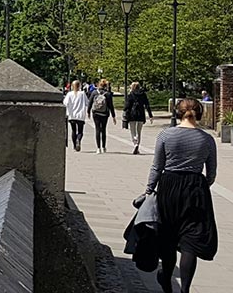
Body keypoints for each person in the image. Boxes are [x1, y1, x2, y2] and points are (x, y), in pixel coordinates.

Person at [135, 99, 219, 293]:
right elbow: (211, 173)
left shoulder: (166, 135)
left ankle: (166, 278)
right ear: (199, 114)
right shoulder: (206, 139)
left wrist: (149, 191)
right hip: (195, 188)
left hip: (169, 186)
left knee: (168, 236)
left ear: (178, 113)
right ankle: (185, 289)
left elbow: (157, 166)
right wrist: (201, 185)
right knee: (191, 239)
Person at [123, 82, 152, 155]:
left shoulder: (131, 95)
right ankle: (138, 146)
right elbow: (147, 105)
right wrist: (150, 115)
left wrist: (124, 113)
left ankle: (135, 143)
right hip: (141, 115)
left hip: (132, 115)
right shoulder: (143, 95)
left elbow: (127, 106)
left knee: (133, 131)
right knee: (139, 131)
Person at [62, 81, 90, 152]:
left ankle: (74, 146)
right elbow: (87, 103)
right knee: (80, 131)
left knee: (73, 130)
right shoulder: (82, 94)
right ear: (79, 86)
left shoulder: (69, 94)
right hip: (80, 115)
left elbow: (65, 103)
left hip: (72, 115)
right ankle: (78, 140)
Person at [91, 79, 116, 153]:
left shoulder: (95, 92)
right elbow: (111, 106)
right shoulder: (108, 94)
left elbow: (90, 102)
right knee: (104, 129)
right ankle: (104, 147)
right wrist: (113, 116)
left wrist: (88, 111)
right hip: (104, 113)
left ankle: (98, 148)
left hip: (96, 113)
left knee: (97, 129)